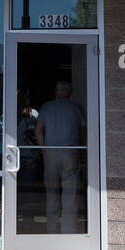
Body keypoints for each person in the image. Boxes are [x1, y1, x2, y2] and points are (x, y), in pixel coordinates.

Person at [35, 80, 85, 233]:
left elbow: (38, 131)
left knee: (52, 192)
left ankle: (51, 229)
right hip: (70, 152)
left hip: (51, 153)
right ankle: (68, 232)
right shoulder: (76, 107)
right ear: (71, 93)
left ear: (56, 92)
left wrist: (44, 150)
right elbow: (83, 130)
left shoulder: (47, 107)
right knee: (70, 194)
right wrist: (81, 148)